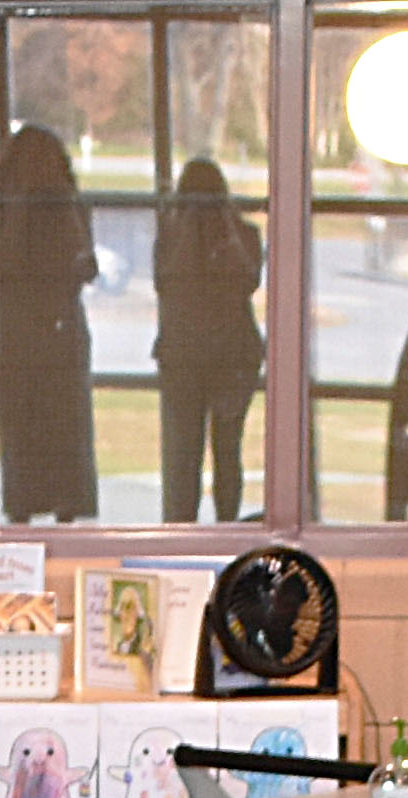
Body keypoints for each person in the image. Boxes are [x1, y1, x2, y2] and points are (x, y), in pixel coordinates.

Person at [0, 122, 98, 522]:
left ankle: (44, 504)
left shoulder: (59, 205)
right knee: (40, 421)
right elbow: (4, 263)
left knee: (46, 423)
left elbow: (86, 265)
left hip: (41, 326)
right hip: (38, 325)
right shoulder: (8, 207)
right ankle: (39, 505)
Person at [153, 152, 262, 524]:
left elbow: (247, 279)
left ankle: (201, 525)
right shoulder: (174, 239)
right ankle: (207, 525)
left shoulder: (239, 236)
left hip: (216, 355)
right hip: (220, 355)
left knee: (205, 452)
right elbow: (169, 284)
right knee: (209, 452)